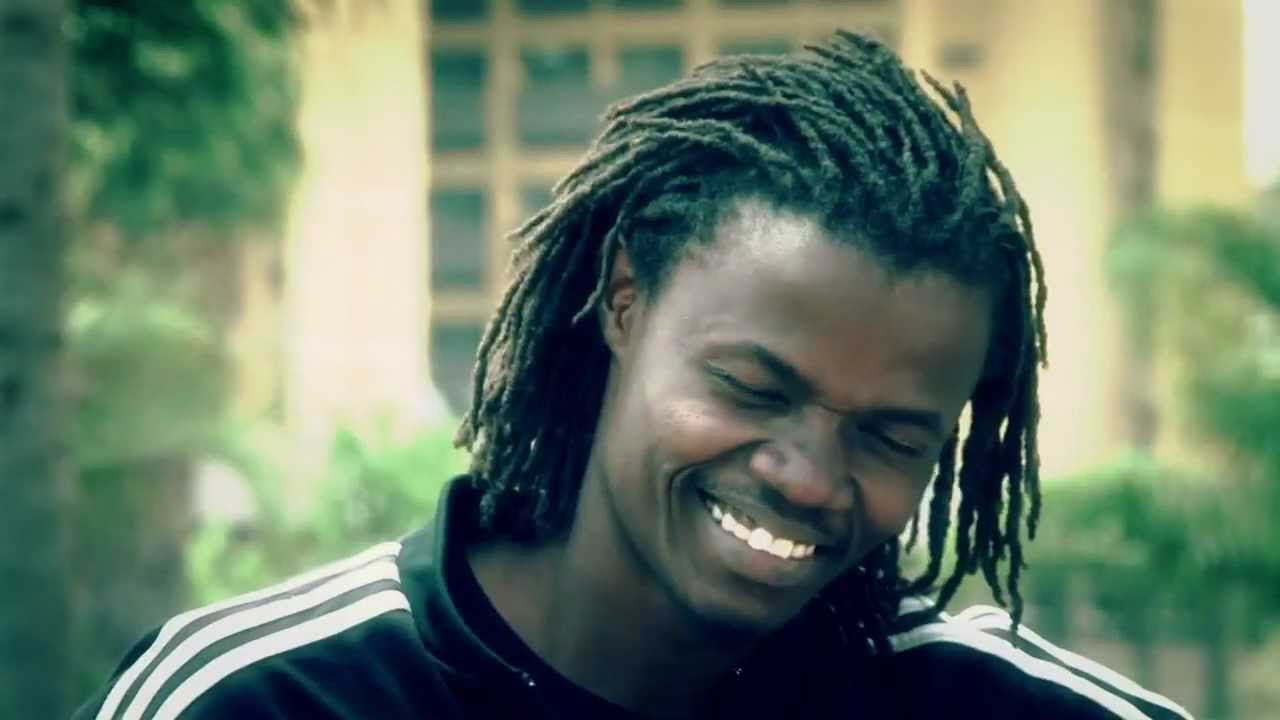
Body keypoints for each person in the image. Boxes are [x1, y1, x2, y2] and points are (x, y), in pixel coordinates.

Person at [76, 31, 1192, 720]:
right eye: (752, 389)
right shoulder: (263, 700)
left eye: (890, 436)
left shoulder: (999, 711)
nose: (810, 477)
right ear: (623, 299)